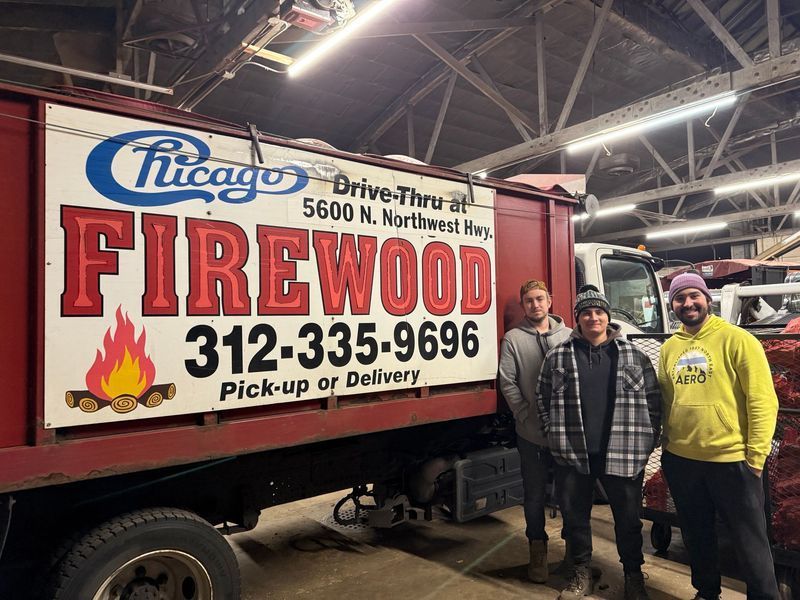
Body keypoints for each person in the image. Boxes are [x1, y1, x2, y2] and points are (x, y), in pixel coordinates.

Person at [658, 272, 779, 600]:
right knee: (697, 536)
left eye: (694, 296)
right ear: (673, 305)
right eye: (680, 299)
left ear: (706, 300)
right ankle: (706, 592)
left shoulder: (737, 339)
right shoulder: (670, 349)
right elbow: (668, 401)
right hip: (683, 461)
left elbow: (763, 400)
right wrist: (668, 446)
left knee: (750, 542)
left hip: (732, 461)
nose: (688, 303)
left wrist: (755, 457)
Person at [537, 285, 661, 600]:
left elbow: (653, 402)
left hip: (623, 453)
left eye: (599, 312)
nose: (594, 317)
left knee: (629, 520)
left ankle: (633, 576)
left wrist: (646, 441)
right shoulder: (559, 355)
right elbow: (543, 396)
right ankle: (581, 574)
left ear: (608, 316)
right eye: (586, 313)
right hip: (573, 455)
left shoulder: (633, 355)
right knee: (576, 518)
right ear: (578, 318)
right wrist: (555, 434)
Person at [498, 279, 571, 583]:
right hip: (530, 434)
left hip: (567, 435)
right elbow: (507, 381)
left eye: (540, 298)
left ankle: (574, 554)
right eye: (528, 300)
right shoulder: (513, 339)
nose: (535, 305)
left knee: (571, 494)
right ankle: (537, 551)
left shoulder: (569, 335)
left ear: (550, 301)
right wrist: (525, 414)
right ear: (524, 305)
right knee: (534, 495)